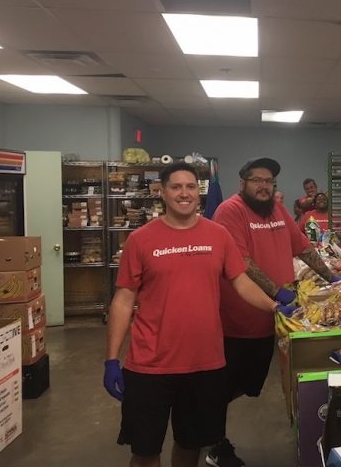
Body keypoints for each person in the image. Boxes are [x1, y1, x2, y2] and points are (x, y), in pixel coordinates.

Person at [103, 162, 290, 467]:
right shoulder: (141, 239)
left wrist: (275, 306)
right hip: (150, 366)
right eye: (176, 187)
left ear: (198, 193)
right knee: (145, 450)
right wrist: (111, 359)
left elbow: (241, 282)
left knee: (190, 446)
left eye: (190, 187)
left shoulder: (218, 235)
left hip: (204, 364)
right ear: (162, 193)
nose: (184, 193)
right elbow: (124, 300)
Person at [208, 158, 341, 466]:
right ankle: (213, 441)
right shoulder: (230, 211)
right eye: (257, 180)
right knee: (225, 385)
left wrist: (332, 277)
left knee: (248, 383)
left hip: (276, 317)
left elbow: (304, 247)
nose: (264, 186)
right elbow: (241, 262)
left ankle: (202, 417)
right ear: (242, 183)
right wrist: (276, 291)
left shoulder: (277, 211)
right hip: (240, 318)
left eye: (269, 181)